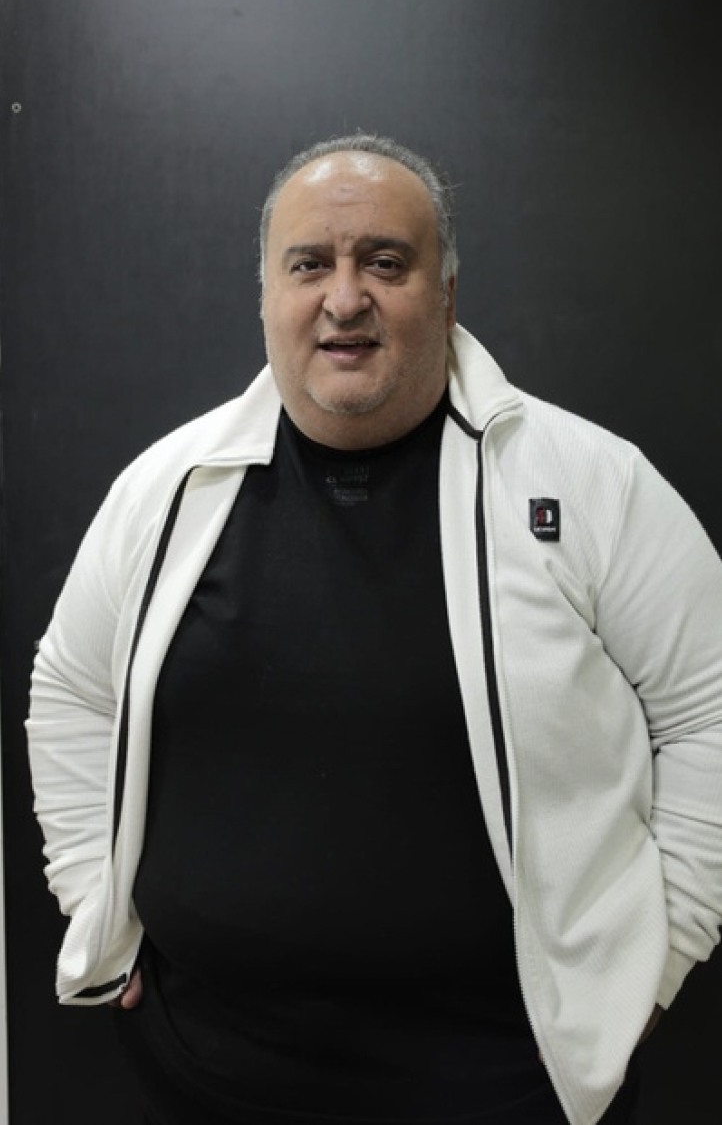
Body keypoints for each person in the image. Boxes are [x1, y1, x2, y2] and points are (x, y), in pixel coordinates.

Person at [26, 134, 722, 1125]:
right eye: (308, 264)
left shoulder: (588, 484)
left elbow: (708, 710)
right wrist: (93, 903)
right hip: (207, 1067)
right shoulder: (167, 489)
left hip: (508, 1079)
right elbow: (71, 690)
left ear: (446, 292)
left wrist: (659, 958)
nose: (343, 298)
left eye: (384, 263)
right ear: (266, 295)